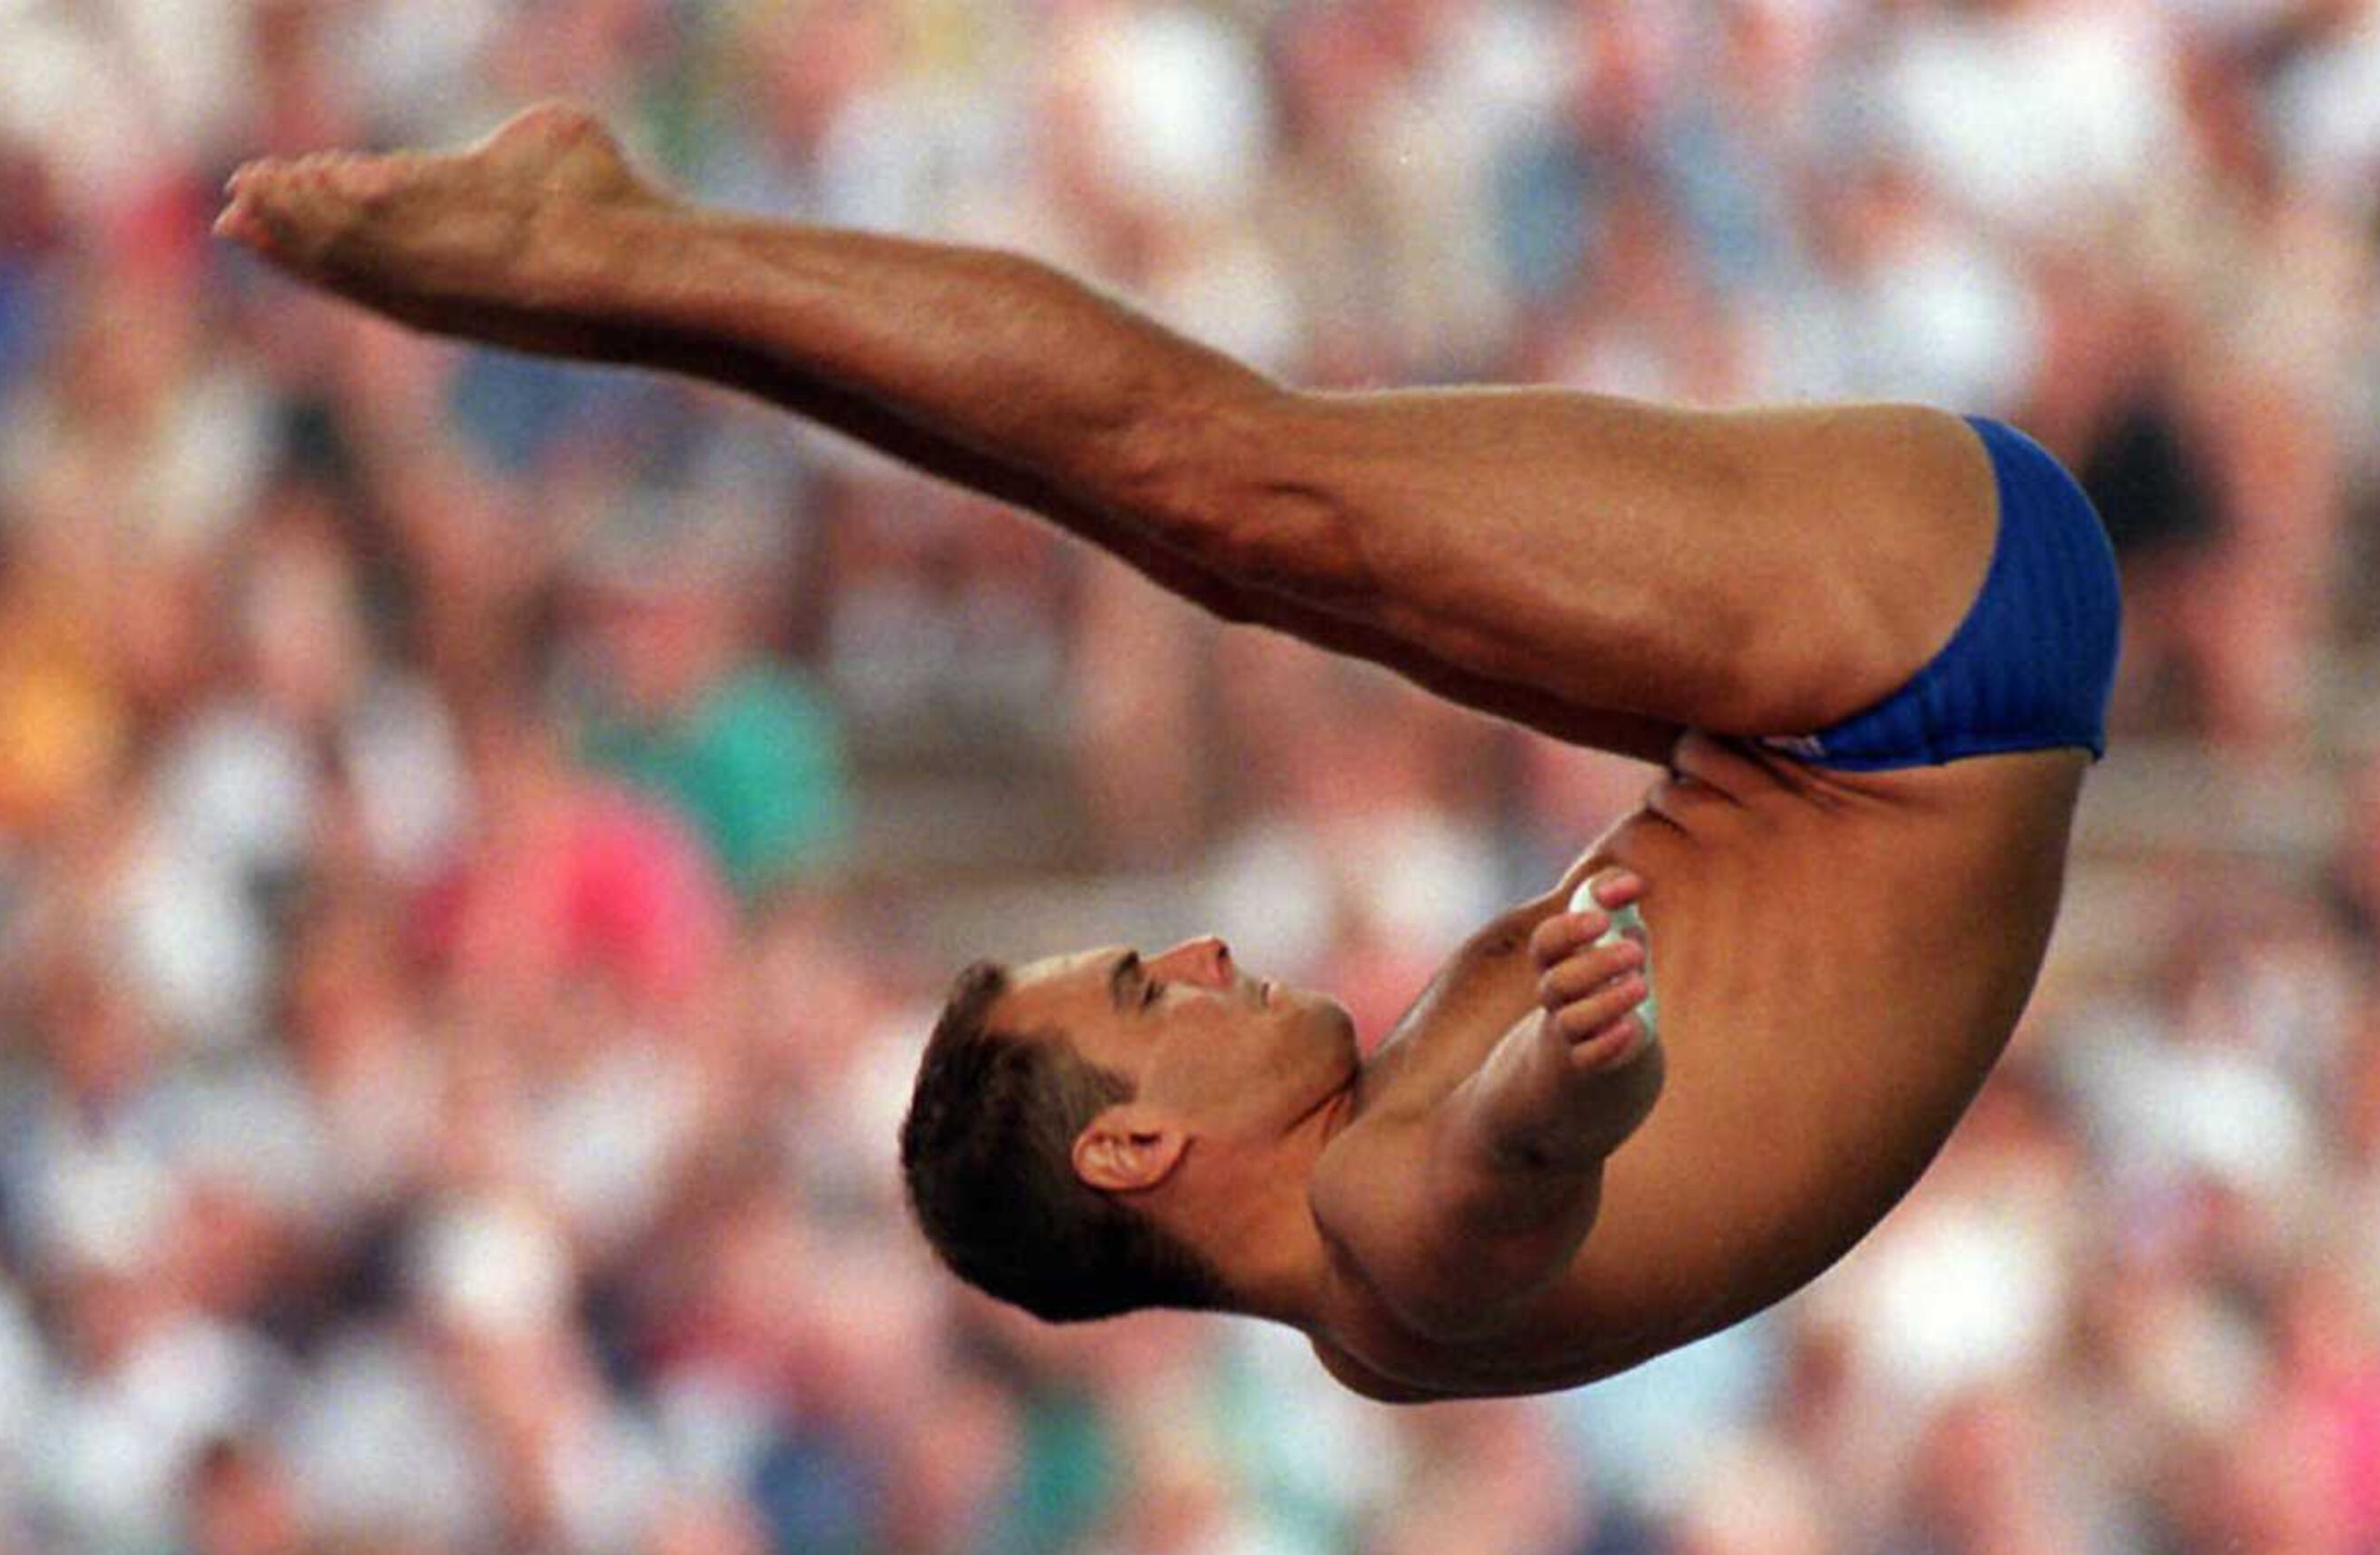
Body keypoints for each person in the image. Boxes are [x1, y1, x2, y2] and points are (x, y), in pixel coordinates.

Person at [218, 107, 2119, 1402]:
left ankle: (631, 285)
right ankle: (612, 250)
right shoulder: (1380, 1235)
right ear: (1135, 1144)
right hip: (1932, 650)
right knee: (1233, 490)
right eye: (1144, 986)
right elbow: (1500, 1170)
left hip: (1884, 713)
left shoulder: (1366, 1255)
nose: (1200, 954)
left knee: (1218, 529)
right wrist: (1576, 1072)